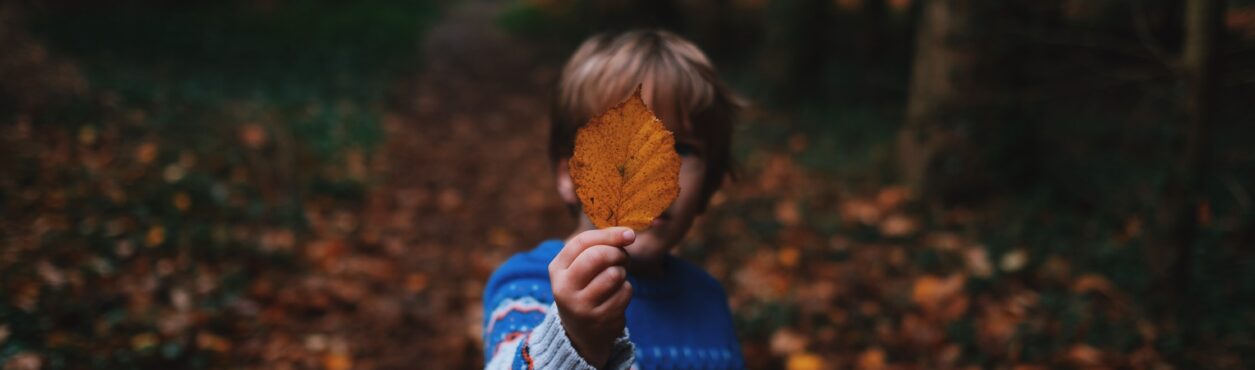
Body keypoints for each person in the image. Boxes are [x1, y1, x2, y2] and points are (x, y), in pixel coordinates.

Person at [482, 29, 744, 370]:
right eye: (620, 147)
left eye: (681, 148)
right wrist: (575, 338)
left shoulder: (709, 299)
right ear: (569, 174)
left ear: (709, 187)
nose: (649, 173)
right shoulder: (528, 285)